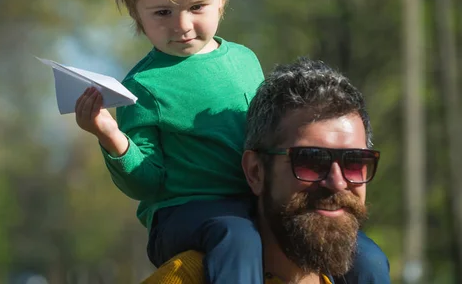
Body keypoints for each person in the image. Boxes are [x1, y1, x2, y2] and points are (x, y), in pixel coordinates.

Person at [74, 0, 389, 284]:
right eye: (162, 13)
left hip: (254, 204)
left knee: (366, 256)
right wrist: (110, 137)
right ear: (136, 13)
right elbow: (146, 182)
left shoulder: (244, 60)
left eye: (196, 6)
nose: (183, 25)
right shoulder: (143, 85)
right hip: (185, 214)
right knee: (237, 238)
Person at [142, 58, 390, 284]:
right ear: (255, 172)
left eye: (354, 163)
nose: (337, 182)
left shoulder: (366, 273)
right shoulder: (187, 278)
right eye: (311, 161)